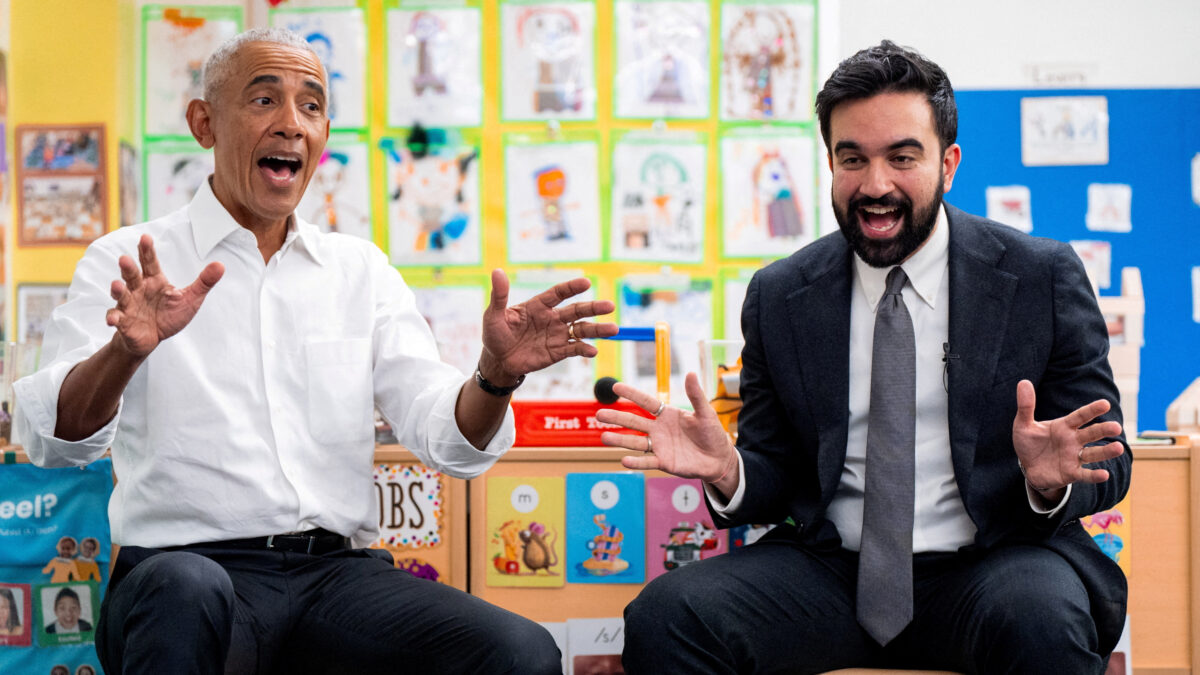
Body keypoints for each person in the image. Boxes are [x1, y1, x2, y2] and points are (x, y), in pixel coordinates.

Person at [15, 27, 616, 674]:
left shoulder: (359, 270)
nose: (291, 125)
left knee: (519, 652)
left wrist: (494, 376)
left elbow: (447, 440)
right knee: (187, 590)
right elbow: (52, 437)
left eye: (311, 105)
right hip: (185, 573)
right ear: (203, 122)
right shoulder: (130, 260)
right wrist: (124, 353)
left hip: (335, 577)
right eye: (264, 100)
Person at [598, 40, 1129, 674]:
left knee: (1043, 620)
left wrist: (1049, 483)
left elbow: (1108, 461)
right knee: (669, 617)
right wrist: (728, 471)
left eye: (903, 157)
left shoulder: (1040, 277)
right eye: (853, 159)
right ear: (830, 162)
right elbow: (774, 469)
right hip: (831, 573)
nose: (875, 186)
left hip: (993, 562)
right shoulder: (780, 295)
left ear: (948, 163)